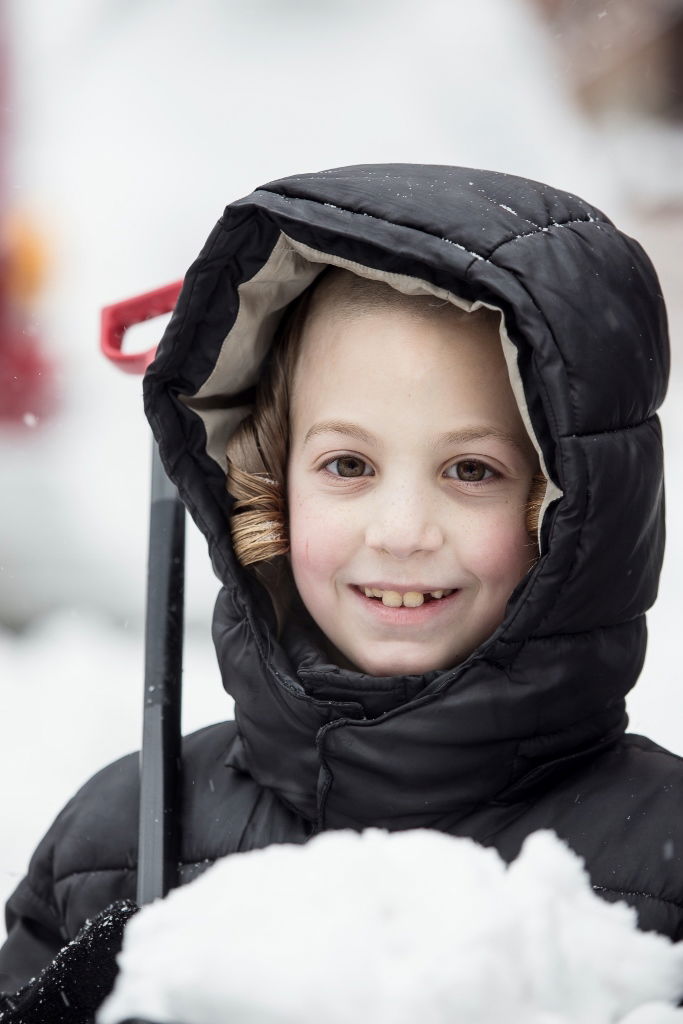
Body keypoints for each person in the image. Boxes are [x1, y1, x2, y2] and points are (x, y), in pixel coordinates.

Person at [1, 163, 681, 1015]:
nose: (400, 530)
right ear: (267, 480)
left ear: (572, 510)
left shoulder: (660, 861)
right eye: (347, 465)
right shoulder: (124, 837)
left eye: (470, 470)